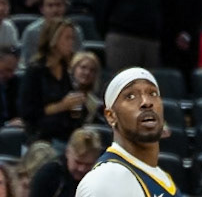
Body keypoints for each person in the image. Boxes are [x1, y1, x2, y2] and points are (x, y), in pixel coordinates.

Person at [76, 69, 181, 197]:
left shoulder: (159, 175)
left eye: (152, 93)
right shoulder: (105, 181)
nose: (146, 102)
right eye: (130, 96)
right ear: (111, 116)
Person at [20, 17, 83, 145]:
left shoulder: (68, 70)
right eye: (67, 38)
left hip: (67, 136)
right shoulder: (35, 71)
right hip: (40, 137)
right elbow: (27, 112)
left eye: (72, 38)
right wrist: (62, 105)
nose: (71, 43)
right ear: (53, 40)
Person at [28, 128, 102, 197]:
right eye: (78, 162)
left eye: (88, 164)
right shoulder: (48, 174)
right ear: (67, 152)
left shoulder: (99, 178)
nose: (81, 169)